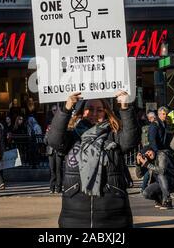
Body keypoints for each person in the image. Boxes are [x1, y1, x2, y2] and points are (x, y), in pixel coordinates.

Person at [47, 91, 139, 228]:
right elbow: (54, 140)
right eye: (89, 109)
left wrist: (125, 107)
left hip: (112, 215)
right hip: (74, 215)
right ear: (81, 112)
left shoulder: (114, 135)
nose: (94, 113)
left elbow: (130, 141)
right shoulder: (72, 136)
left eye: (100, 110)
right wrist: (66, 108)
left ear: (106, 112)